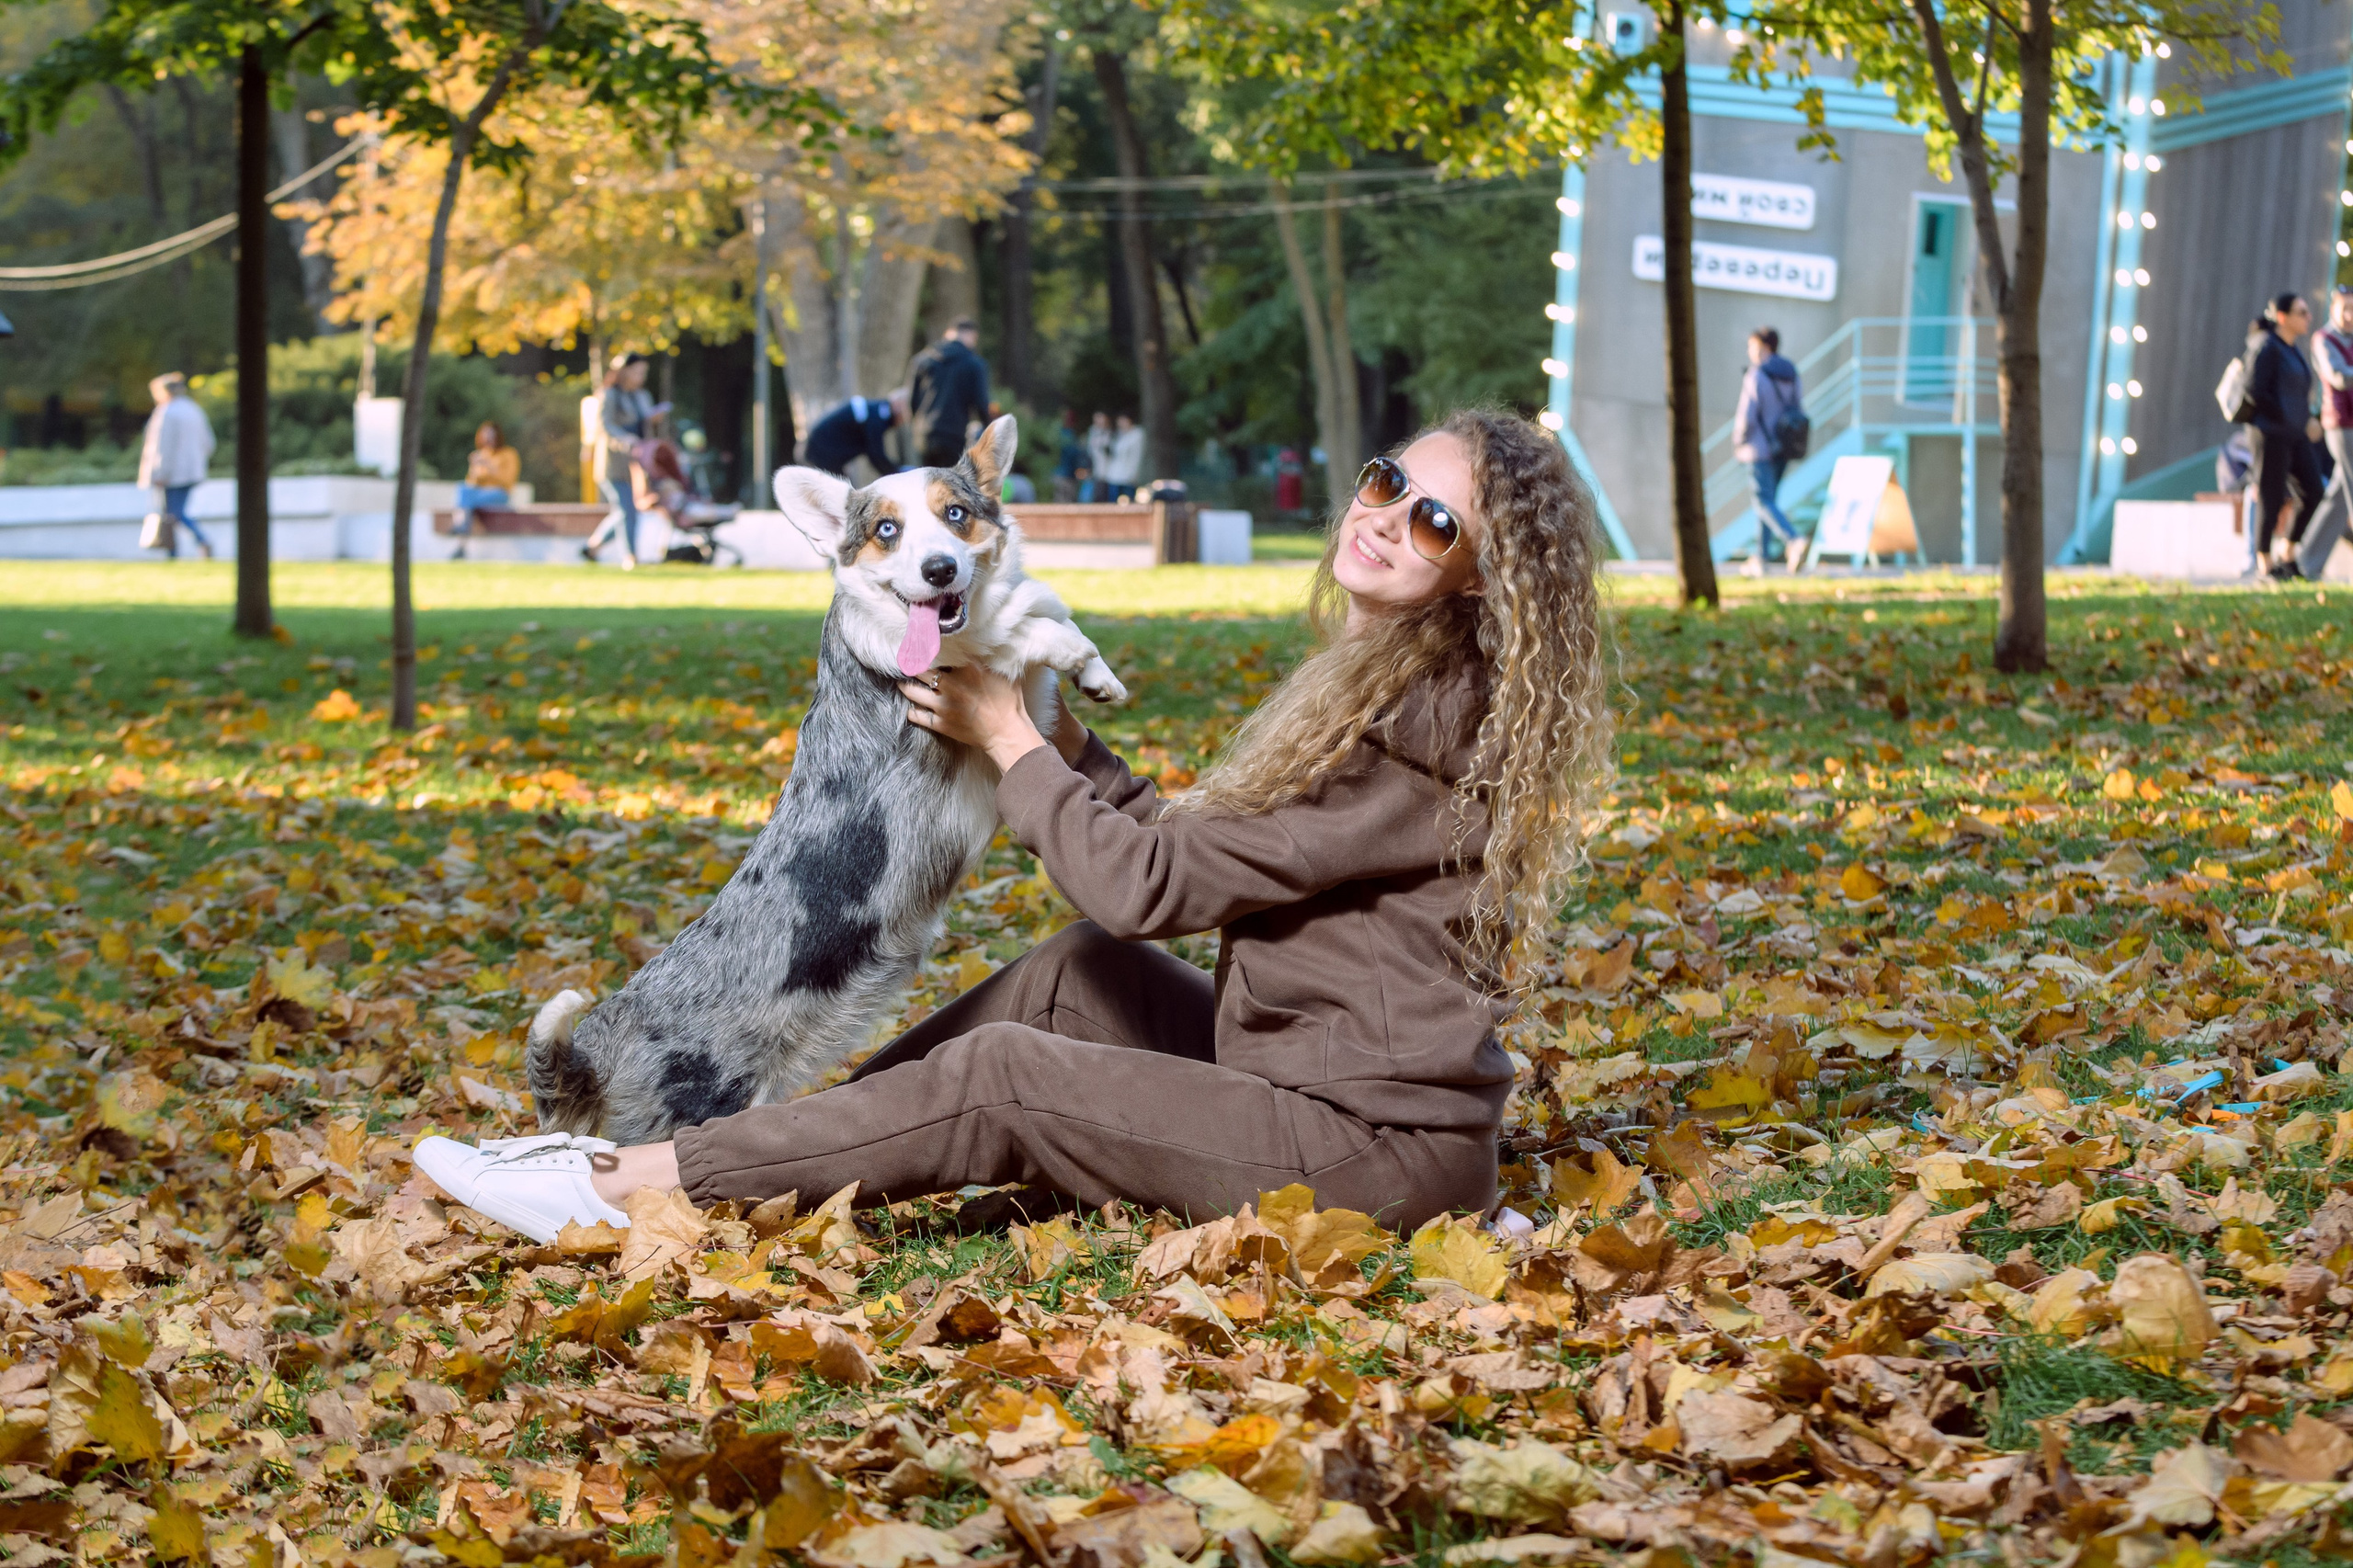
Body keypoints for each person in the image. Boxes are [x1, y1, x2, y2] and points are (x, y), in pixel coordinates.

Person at [408, 407, 1613, 1240]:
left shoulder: (1417, 727)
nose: (1387, 515)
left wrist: (1009, 739)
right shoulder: (1381, 676)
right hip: (1294, 1074)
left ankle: (621, 1185)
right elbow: (1186, 853)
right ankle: (783, 1159)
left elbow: (1141, 884)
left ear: (1482, 576)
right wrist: (1061, 738)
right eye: (1386, 481)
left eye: (1435, 522)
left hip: (1370, 1150)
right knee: (1072, 977)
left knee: (1008, 1073)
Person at [2243, 292, 2324, 581]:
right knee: (2270, 495)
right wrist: (2283, 417)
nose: (2308, 317)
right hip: (2270, 433)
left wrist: (2307, 420)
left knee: (2314, 491)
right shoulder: (2265, 346)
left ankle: (2287, 553)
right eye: (2302, 312)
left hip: (2294, 432)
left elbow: (2299, 394)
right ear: (2282, 317)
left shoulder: (2293, 349)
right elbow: (2254, 390)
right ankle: (2265, 563)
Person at [585, 355, 667, 568]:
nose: (641, 377)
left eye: (644, 373)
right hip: (614, 464)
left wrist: (653, 420)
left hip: (638, 464)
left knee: (627, 510)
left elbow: (644, 425)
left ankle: (593, 546)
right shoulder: (609, 395)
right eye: (638, 372)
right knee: (626, 510)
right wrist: (624, 439)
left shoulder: (641, 396)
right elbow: (604, 426)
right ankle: (631, 557)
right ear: (624, 371)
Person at [1731, 328, 1802, 575]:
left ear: (1764, 347)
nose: (1750, 351)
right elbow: (1797, 408)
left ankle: (1794, 540)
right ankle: (1760, 559)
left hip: (1759, 449)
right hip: (1783, 448)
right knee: (1768, 502)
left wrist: (1738, 440)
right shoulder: (1791, 373)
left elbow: (1747, 415)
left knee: (1762, 502)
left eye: (1752, 346)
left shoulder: (1756, 374)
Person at [137, 373, 215, 560]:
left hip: (171, 474)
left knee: (173, 513)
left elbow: (163, 448)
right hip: (192, 471)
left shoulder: (167, 412)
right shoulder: (194, 410)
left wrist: (160, 473)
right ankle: (175, 551)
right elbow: (209, 443)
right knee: (174, 513)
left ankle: (198, 541)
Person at [2306, 285, 2353, 579]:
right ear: (2333, 307)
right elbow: (2337, 377)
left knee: (2338, 495)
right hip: (2341, 424)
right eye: (2345, 308)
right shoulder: (2323, 339)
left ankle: (2307, 562)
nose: (2350, 315)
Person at [905, 319, 992, 469]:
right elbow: (981, 404)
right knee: (950, 487)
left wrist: (916, 424)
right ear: (971, 336)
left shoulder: (923, 360)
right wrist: (988, 431)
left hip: (924, 435)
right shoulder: (974, 364)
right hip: (954, 436)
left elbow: (911, 400)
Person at [449, 421, 520, 560]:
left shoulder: (509, 454)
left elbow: (508, 481)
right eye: (485, 435)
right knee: (462, 489)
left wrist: (489, 467)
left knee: (466, 503)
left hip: (500, 493)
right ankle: (461, 539)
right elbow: (471, 483)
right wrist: (475, 467)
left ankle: (460, 532)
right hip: (479, 495)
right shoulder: (482, 454)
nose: (488, 438)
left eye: (491, 435)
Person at [802, 391, 908, 480]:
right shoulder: (877, 416)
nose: (904, 420)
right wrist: (898, 472)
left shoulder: (875, 410)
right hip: (820, 450)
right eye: (905, 413)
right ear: (897, 405)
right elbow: (876, 455)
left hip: (820, 448)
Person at [1105, 413, 1145, 502]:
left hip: (1128, 477)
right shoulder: (1117, 435)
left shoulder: (1137, 435)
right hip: (1114, 476)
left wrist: (1134, 474)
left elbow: (1136, 457)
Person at [1052, 411, 1087, 503]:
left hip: (1057, 474)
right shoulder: (1071, 437)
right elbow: (1076, 457)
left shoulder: (1056, 434)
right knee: (1068, 505)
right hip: (1068, 476)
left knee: (1058, 503)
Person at [1085, 412, 1114, 500]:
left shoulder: (1112, 434)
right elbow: (1090, 452)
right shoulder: (1092, 432)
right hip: (1095, 471)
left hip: (1109, 473)